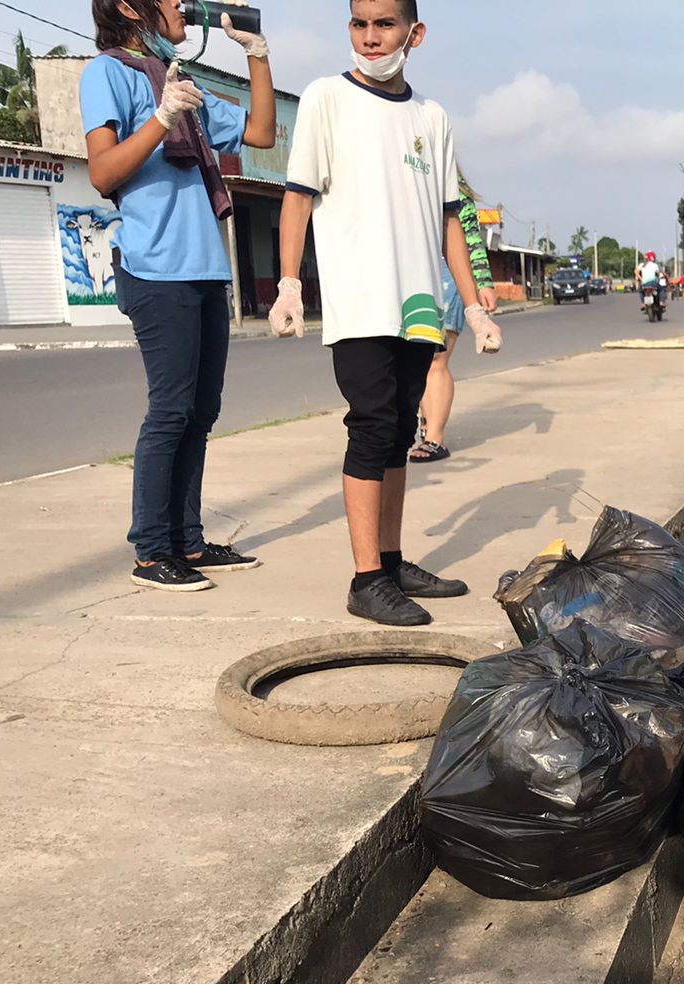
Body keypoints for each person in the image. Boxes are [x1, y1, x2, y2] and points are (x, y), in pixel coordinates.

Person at [269, 0, 503, 627]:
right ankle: (365, 578)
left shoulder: (432, 116)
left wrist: (477, 303)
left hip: (420, 304)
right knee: (372, 430)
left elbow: (452, 216)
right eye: (359, 23)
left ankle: (393, 562)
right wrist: (290, 283)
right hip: (361, 302)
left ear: (414, 33)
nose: (370, 38)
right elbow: (297, 196)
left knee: (401, 430)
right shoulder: (326, 98)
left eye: (385, 24)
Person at [82, 0, 275, 592]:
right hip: (155, 267)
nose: (184, 7)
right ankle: (150, 550)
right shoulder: (108, 72)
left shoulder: (178, 79)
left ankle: (187, 541)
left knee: (201, 411)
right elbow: (102, 172)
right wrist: (160, 120)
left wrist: (256, 53)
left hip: (204, 267)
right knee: (169, 411)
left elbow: (261, 133)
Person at [409, 176, 497, 464]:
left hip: (451, 274)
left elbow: (472, 238)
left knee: (437, 358)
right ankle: (425, 426)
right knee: (418, 359)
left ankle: (435, 437)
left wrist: (482, 283)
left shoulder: (452, 185)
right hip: (414, 273)